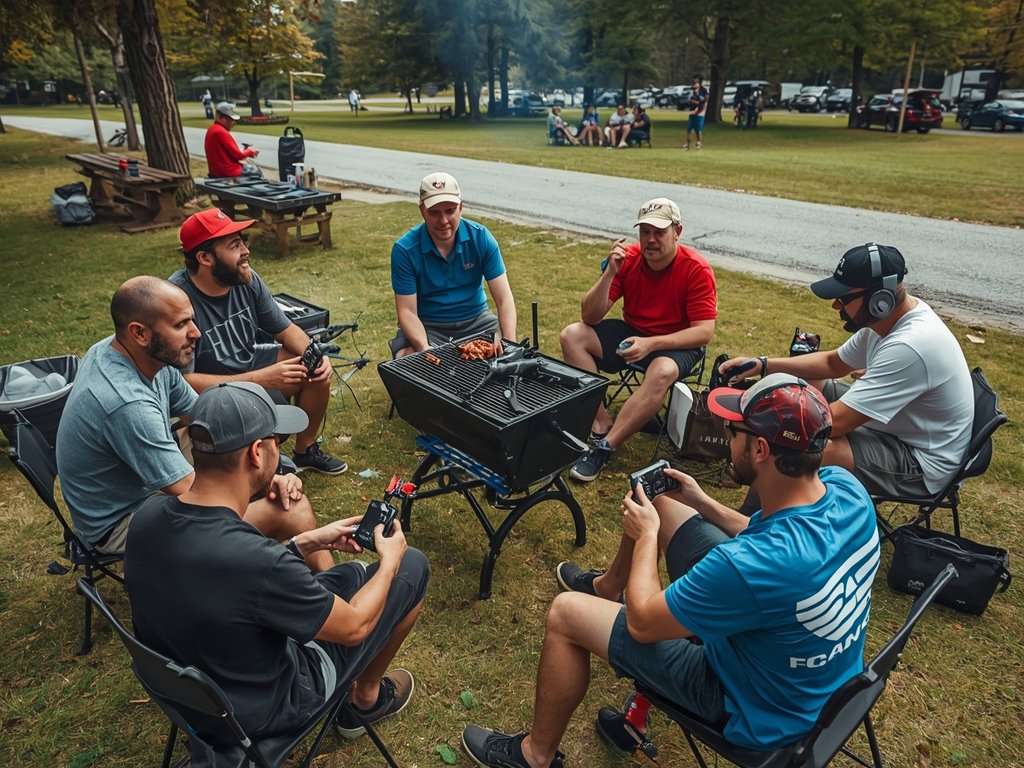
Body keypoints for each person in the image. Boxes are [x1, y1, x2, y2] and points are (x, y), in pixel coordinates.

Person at [462, 374, 881, 768]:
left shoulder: (748, 566)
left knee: (566, 613)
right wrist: (702, 502)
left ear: (760, 450)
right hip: (822, 685)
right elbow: (765, 531)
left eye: (735, 431)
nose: (728, 437)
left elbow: (644, 623)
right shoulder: (847, 491)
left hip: (753, 706)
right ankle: (608, 588)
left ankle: (535, 755)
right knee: (662, 501)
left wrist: (647, 536)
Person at [125, 381, 429, 748]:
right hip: (273, 707)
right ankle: (364, 700)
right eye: (278, 443)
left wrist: (305, 542)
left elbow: (228, 581)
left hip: (199, 695)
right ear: (256, 452)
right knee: (413, 566)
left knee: (349, 574)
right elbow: (354, 628)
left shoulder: (146, 517)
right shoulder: (257, 562)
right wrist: (390, 562)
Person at [54, 277, 333, 572]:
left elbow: (202, 418)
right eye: (180, 325)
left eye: (192, 320)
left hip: (142, 491)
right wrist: (262, 484)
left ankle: (281, 568)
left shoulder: (142, 356)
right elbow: (189, 491)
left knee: (243, 455)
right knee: (289, 510)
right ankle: (338, 594)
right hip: (121, 524)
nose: (196, 333)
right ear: (139, 333)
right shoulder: (126, 402)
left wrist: (267, 475)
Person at [719, 243, 973, 511]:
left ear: (880, 300)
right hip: (901, 431)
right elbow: (832, 363)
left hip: (921, 464)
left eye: (844, 298)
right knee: (808, 389)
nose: (835, 305)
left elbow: (834, 424)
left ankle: (749, 526)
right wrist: (763, 365)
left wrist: (766, 425)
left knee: (803, 447)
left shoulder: (910, 346)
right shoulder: (887, 323)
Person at [169, 209, 348, 475]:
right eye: (234, 245)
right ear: (204, 257)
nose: (245, 251)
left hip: (249, 365)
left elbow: (286, 330)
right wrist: (263, 379)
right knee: (262, 456)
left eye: (242, 241)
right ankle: (236, 445)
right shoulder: (176, 301)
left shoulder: (246, 278)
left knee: (312, 367)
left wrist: (315, 352)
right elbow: (181, 383)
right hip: (210, 393)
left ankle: (305, 450)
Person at [560, 198, 716, 482]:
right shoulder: (629, 260)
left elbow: (704, 331)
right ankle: (601, 421)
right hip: (634, 332)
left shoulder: (696, 269)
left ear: (677, 232)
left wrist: (654, 343)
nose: (651, 240)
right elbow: (590, 316)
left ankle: (605, 447)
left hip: (677, 343)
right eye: (645, 232)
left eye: (659, 232)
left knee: (662, 370)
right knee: (572, 335)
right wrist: (610, 272)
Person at [389, 172, 517, 358]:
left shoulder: (481, 238)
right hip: (429, 324)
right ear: (422, 210)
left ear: (460, 208)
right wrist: (424, 347)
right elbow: (407, 311)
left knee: (501, 351)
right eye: (434, 213)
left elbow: (504, 299)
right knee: (406, 358)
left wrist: (510, 344)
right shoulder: (405, 250)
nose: (443, 221)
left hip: (477, 321)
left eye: (450, 211)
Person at [204, 101, 260, 178]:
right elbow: (238, 155)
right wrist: (251, 151)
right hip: (228, 171)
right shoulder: (221, 131)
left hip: (217, 171)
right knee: (257, 173)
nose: (233, 123)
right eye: (230, 119)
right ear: (222, 117)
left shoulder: (212, 129)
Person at [684, 76, 709, 150]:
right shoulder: (692, 92)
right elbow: (691, 101)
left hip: (700, 112)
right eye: (692, 84)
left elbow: (704, 102)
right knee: (689, 129)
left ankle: (699, 143)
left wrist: (698, 110)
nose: (693, 85)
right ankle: (687, 143)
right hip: (692, 111)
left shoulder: (704, 91)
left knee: (698, 130)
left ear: (699, 83)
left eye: (695, 83)